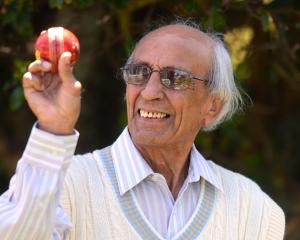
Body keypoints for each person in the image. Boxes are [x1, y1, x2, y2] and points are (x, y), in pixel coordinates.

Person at [0, 22, 285, 239]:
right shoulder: (65, 183)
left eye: (175, 78)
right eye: (139, 72)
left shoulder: (255, 210)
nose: (150, 92)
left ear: (212, 106)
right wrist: (53, 130)